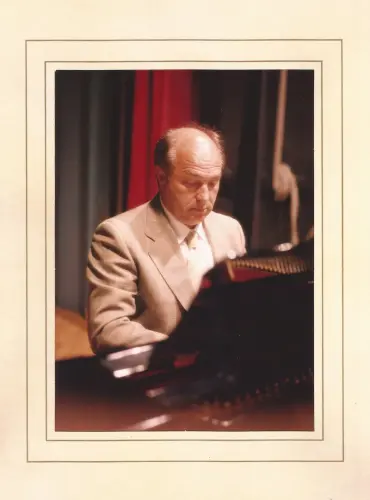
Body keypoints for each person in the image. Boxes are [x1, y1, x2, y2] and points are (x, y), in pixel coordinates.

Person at [86, 124, 246, 355]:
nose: (204, 197)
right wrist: (183, 353)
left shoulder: (230, 230)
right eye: (191, 183)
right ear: (162, 177)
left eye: (213, 183)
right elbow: (108, 330)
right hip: (160, 377)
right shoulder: (118, 235)